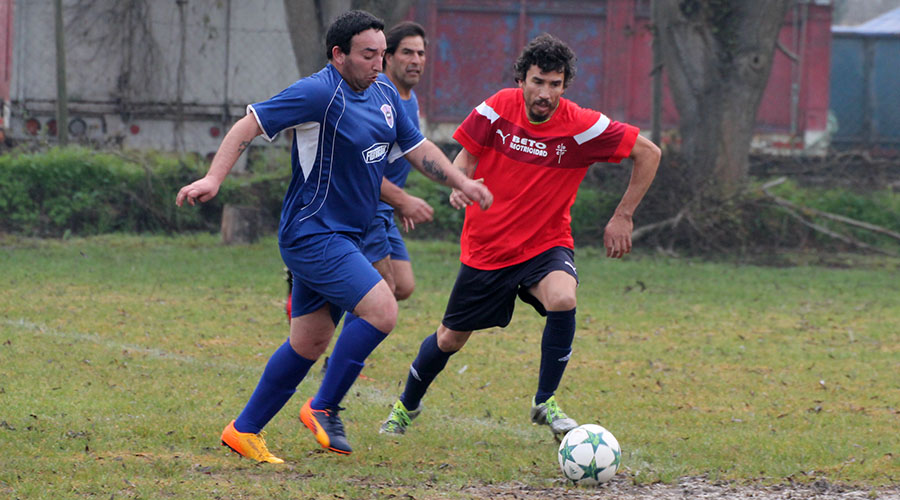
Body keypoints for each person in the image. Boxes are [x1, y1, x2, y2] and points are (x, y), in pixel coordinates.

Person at [176, 10, 492, 462]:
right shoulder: (317, 92)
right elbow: (248, 124)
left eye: (382, 55)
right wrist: (213, 178)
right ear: (338, 54)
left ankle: (243, 430)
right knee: (383, 308)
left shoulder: (384, 91)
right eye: (368, 55)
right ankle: (323, 406)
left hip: (350, 234)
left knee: (308, 342)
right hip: (313, 233)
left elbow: (417, 148)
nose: (378, 64)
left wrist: (462, 183)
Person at [379, 33, 661, 439]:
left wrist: (624, 215)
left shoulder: (581, 126)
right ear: (522, 80)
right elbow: (467, 154)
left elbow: (649, 152)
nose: (545, 92)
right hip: (488, 249)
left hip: (545, 244)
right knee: (450, 338)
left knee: (564, 297)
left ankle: (545, 400)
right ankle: (406, 406)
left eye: (554, 84)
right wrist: (462, 181)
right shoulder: (496, 108)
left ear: (565, 86)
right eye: (537, 81)